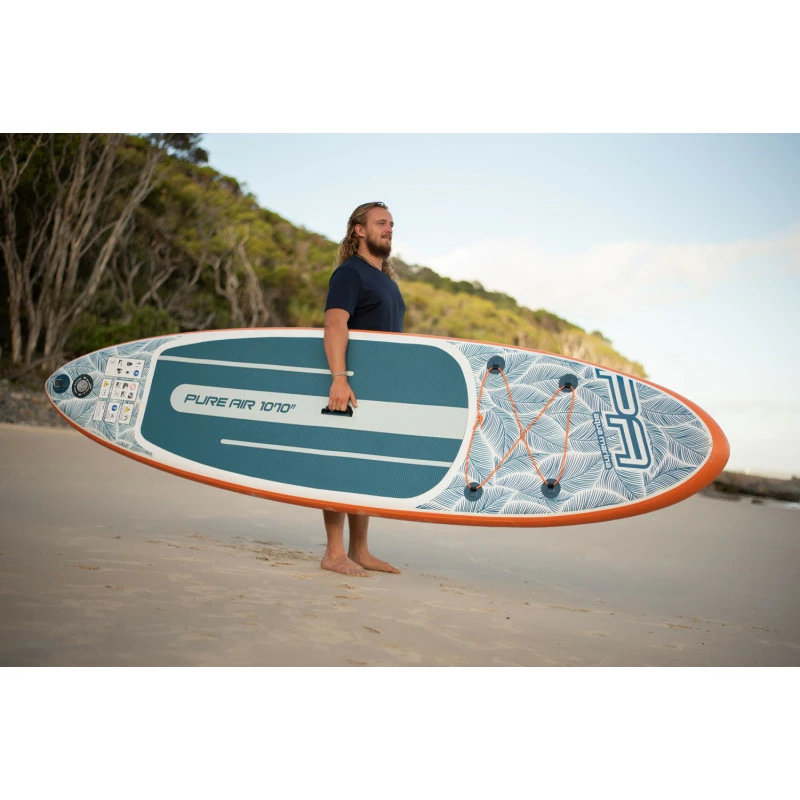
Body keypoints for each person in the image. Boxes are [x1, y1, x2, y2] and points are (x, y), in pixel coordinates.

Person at [321, 202, 406, 577]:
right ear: (359, 229)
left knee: (364, 466)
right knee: (340, 463)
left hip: (378, 388)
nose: (389, 229)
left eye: (391, 224)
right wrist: (339, 377)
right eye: (381, 223)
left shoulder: (385, 280)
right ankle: (334, 552)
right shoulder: (349, 273)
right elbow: (335, 323)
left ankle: (359, 549)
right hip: (351, 384)